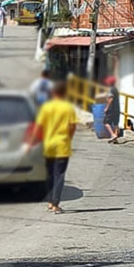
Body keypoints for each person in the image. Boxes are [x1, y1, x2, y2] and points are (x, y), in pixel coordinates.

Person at [35, 80, 77, 213]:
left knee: (49, 174)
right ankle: (55, 204)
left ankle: (49, 202)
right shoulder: (68, 107)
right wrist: (68, 138)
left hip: (48, 145)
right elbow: (72, 126)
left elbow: (39, 126)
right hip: (62, 145)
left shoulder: (46, 107)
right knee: (59, 175)